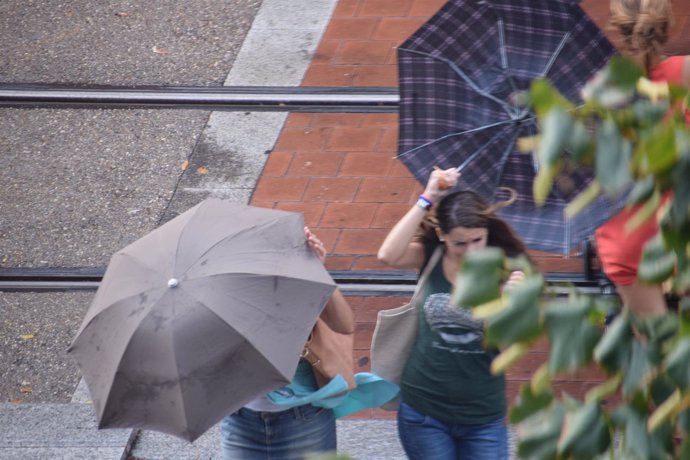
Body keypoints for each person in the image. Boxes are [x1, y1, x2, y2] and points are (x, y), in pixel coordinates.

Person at [377, 167, 526, 460]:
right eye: (460, 243)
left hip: (482, 415)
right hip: (423, 410)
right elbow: (387, 255)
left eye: (477, 240)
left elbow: (508, 350)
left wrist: (509, 304)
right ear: (442, 234)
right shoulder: (430, 255)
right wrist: (428, 197)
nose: (470, 250)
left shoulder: (507, 272)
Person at [220, 227, 354, 460]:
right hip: (241, 421)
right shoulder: (223, 301)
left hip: (304, 419)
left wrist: (317, 271)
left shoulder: (297, 288)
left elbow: (344, 324)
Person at [595, 0, 690, 317]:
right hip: (680, 228)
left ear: (615, 30)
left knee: (654, 351)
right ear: (666, 25)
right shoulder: (686, 72)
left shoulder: (599, 88)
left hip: (626, 235)